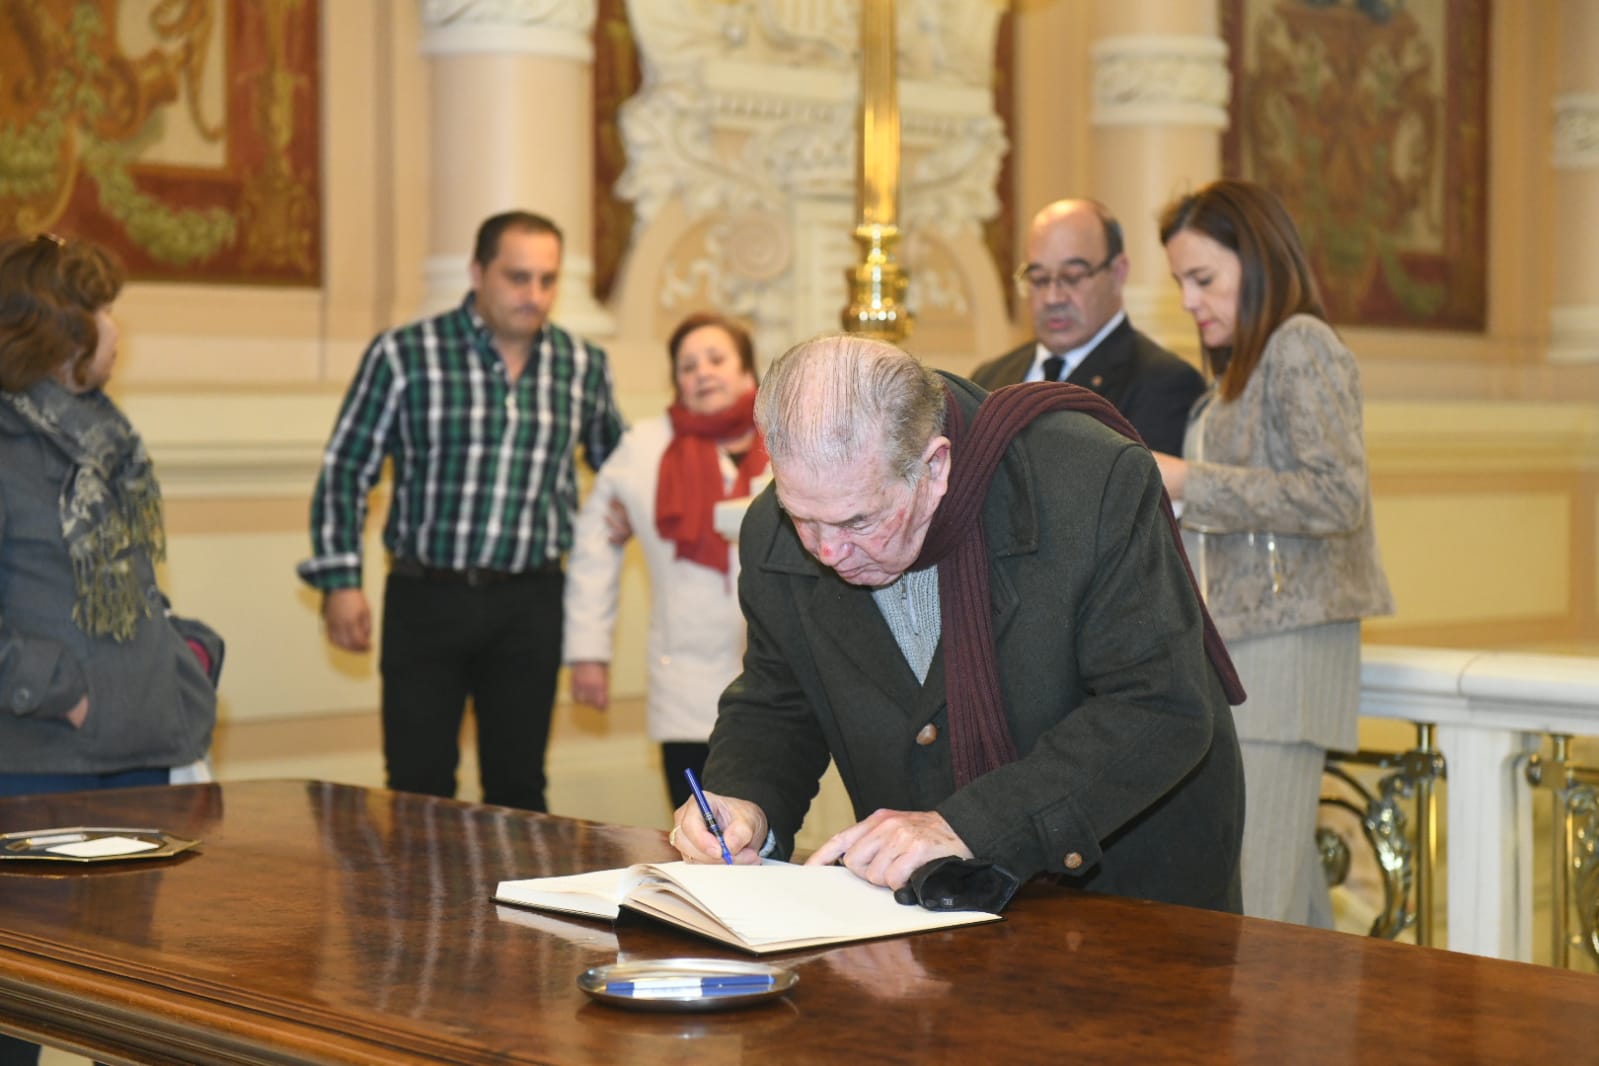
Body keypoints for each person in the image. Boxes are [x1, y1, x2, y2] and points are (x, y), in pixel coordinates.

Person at [668, 333, 1247, 914]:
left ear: (935, 465)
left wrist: (969, 825)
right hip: (929, 908)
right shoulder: (777, 529)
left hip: (1128, 893)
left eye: (858, 521)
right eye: (803, 518)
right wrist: (745, 806)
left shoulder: (1088, 483)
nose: (827, 551)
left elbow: (1158, 708)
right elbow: (780, 701)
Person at [298, 211, 623, 812]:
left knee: (520, 787)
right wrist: (340, 583)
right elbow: (346, 470)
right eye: (517, 277)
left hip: (531, 602)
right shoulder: (405, 354)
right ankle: (421, 911)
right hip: (427, 600)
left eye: (547, 280)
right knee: (419, 787)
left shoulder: (582, 367)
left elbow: (618, 469)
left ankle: (518, 908)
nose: (534, 295)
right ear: (477, 272)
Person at [0, 233, 222, 1066]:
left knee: (132, 1011)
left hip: (140, 758)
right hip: (36, 767)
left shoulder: (106, 434)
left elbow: (135, 586)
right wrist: (65, 691)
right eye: (100, 310)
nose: (116, 329)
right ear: (58, 331)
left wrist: (184, 663)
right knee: (17, 1011)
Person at [1153, 178, 1394, 927]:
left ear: (1255, 261)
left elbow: (1335, 496)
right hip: (1248, 652)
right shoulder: (1241, 369)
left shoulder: (1299, 344)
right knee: (1287, 912)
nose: (1191, 301)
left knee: (1257, 913)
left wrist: (1190, 480)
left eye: (1204, 279)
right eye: (1180, 283)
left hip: (1284, 655)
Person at [563, 312, 766, 811]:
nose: (702, 373)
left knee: (765, 818)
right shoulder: (645, 448)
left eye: (716, 359)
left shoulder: (787, 441)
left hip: (772, 674)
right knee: (697, 824)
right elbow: (594, 544)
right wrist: (589, 651)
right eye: (687, 366)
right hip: (685, 677)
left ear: (747, 372)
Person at [971, 199, 1204, 455]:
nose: (1052, 298)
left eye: (1072, 277)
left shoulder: (1163, 383)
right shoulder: (989, 379)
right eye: (1038, 279)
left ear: (1117, 273)